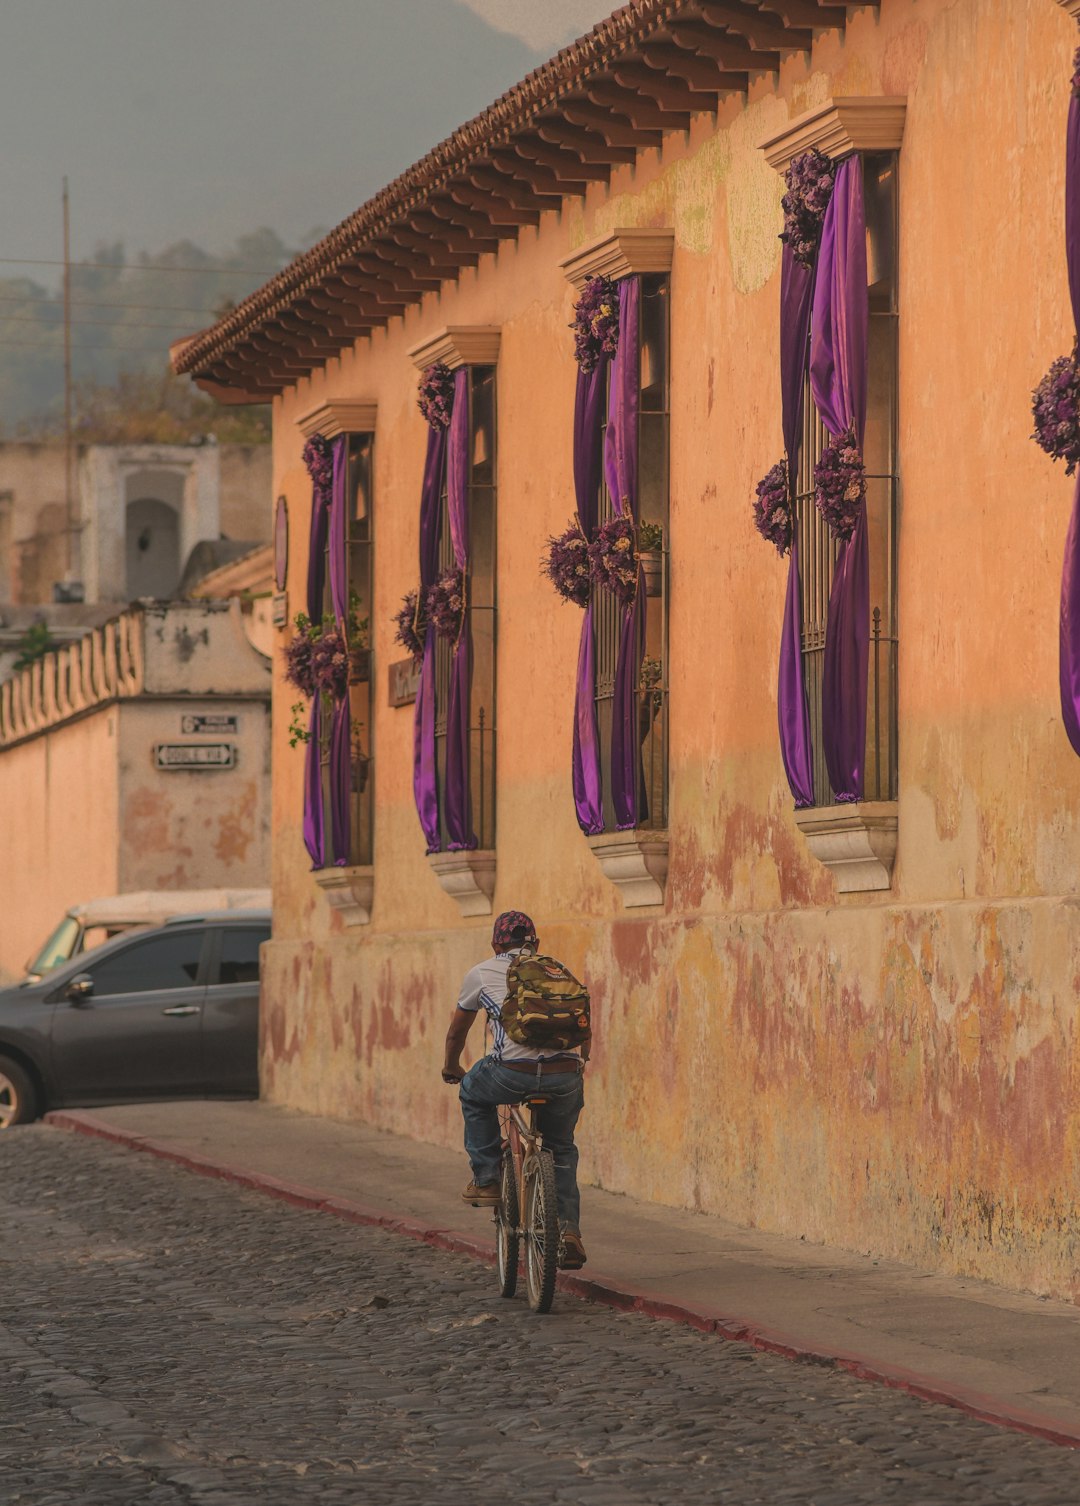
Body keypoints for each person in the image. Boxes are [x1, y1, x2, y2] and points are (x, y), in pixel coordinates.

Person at [441, 909, 588, 1270]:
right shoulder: (557, 969)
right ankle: (568, 1232)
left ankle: (487, 1177)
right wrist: (581, 1064)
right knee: (562, 1147)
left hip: (511, 1073)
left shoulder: (481, 972)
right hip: (565, 1076)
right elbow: (584, 1023)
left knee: (473, 1092)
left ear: (496, 943)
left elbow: (457, 1031)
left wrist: (452, 1067)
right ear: (535, 943)